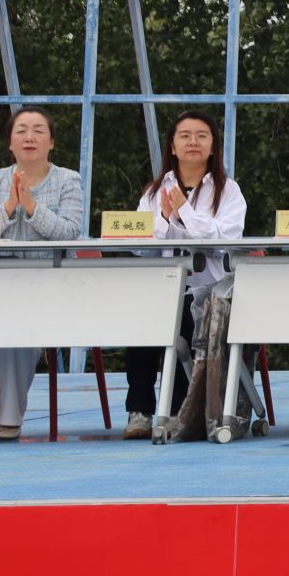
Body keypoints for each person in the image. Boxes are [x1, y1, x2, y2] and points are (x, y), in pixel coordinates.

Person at [123, 110, 247, 438]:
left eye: (202, 136)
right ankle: (139, 411)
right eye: (185, 136)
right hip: (164, 289)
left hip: (212, 293)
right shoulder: (154, 193)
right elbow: (140, 246)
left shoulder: (229, 191)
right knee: (142, 321)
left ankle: (183, 411)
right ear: (173, 146)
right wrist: (165, 220)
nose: (193, 142)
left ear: (213, 146)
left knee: (186, 319)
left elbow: (223, 240)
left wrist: (185, 213)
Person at [0, 107, 84, 441]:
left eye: (38, 130)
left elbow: (69, 232)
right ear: (10, 142)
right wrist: (9, 206)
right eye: (21, 130)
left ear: (51, 142)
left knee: (17, 328)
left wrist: (32, 207)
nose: (29, 137)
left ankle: (9, 416)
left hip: (45, 279)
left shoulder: (68, 180)